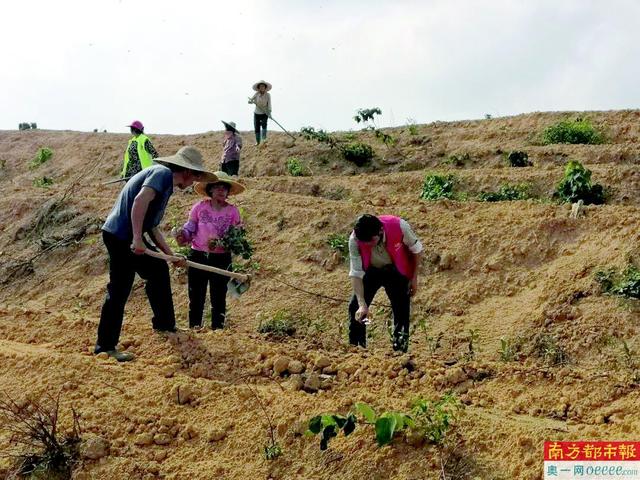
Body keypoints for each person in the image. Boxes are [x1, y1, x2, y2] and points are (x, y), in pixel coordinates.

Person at [95, 146, 218, 362]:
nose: (195, 182)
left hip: (126, 235)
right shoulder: (162, 174)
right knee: (120, 288)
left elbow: (151, 227)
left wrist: (171, 256)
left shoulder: (165, 184)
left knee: (158, 270)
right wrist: (136, 238)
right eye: (196, 176)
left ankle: (165, 325)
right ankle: (105, 347)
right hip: (120, 235)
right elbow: (139, 201)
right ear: (187, 172)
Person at [174, 172, 245, 329]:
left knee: (218, 295)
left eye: (224, 188)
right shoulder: (200, 207)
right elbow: (190, 227)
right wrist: (182, 236)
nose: (221, 191)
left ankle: (218, 329)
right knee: (196, 295)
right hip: (198, 256)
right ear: (210, 190)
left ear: (228, 192)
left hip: (221, 258)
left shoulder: (233, 211)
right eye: (217, 187)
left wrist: (226, 242)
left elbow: (237, 234)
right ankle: (195, 327)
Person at [348, 214, 424, 353]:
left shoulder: (400, 226)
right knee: (355, 308)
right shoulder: (355, 239)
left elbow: (417, 250)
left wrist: (414, 278)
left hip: (396, 270)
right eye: (363, 242)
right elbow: (356, 273)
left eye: (370, 241)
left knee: (401, 310)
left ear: (380, 231)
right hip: (370, 271)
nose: (366, 245)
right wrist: (362, 304)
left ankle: (399, 351)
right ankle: (357, 349)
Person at [248, 80, 272, 145]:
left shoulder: (268, 95)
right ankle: (258, 142)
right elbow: (251, 101)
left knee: (264, 124)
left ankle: (264, 140)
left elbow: (269, 104)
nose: (262, 88)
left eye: (263, 86)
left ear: (265, 87)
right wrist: (250, 101)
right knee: (257, 127)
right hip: (257, 113)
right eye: (260, 86)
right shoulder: (256, 94)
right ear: (259, 88)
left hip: (265, 112)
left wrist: (269, 113)